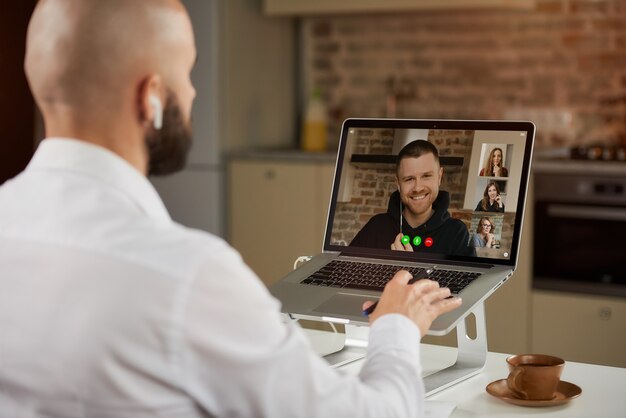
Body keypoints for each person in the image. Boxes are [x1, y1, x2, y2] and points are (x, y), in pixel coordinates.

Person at [0, 1, 462, 416]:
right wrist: (397, 328)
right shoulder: (189, 276)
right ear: (152, 97)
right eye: (187, 72)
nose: (195, 94)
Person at [350, 140, 476, 257]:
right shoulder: (376, 226)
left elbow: (470, 281)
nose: (417, 187)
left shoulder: (456, 233)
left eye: (426, 176)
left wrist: (407, 268)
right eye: (409, 179)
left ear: (439, 176)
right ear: (398, 184)